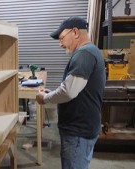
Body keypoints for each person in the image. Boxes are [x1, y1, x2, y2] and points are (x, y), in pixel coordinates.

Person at [36, 16, 106, 169]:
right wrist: (54, 92)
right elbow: (76, 89)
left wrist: (45, 98)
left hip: (78, 131)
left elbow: (68, 92)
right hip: (83, 128)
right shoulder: (90, 51)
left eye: (61, 38)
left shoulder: (84, 54)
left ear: (75, 32)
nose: (60, 44)